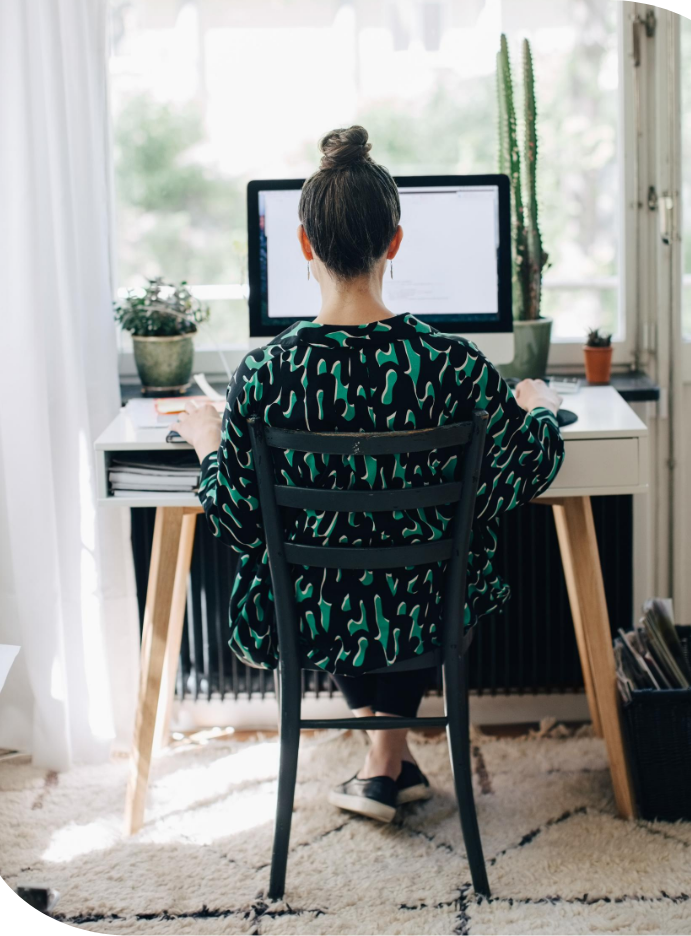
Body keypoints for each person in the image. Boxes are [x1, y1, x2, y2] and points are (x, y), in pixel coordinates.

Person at [172, 125, 564, 824]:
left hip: (311, 612)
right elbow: (522, 474)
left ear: (302, 246)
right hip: (430, 607)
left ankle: (383, 764)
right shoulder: (454, 363)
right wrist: (535, 409)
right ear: (395, 241)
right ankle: (389, 761)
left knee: (342, 566)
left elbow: (233, 512)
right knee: (397, 567)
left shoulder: (266, 373)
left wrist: (207, 437)